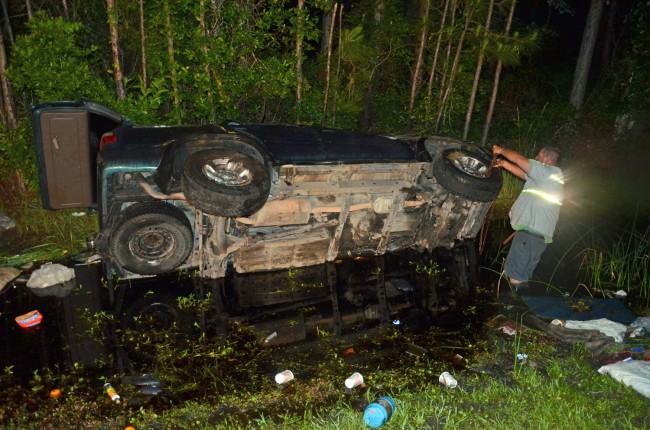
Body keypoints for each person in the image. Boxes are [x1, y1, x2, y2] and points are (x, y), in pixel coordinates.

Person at [492, 145, 564, 288]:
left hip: (529, 235)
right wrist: (504, 163)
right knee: (522, 275)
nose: (535, 158)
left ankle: (512, 306)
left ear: (547, 160)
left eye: (539, 155)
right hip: (537, 237)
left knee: (515, 275)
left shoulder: (546, 172)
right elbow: (523, 173)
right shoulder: (547, 177)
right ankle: (522, 306)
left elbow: (519, 159)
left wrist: (501, 151)